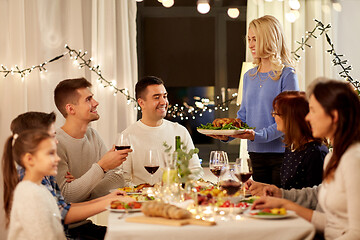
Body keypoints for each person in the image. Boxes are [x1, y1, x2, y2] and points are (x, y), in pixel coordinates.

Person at [252, 79, 360, 239]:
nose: (307, 118)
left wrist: (286, 204)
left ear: (334, 116)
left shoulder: (353, 159)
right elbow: (333, 224)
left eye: (313, 111)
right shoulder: (333, 157)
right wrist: (282, 198)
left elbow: (356, 233)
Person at [9, 111, 134, 240]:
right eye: (52, 136)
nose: (57, 142)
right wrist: (108, 201)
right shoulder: (29, 189)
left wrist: (107, 199)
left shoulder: (41, 177)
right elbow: (62, 214)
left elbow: (63, 207)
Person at [210, 15, 299, 186]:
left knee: (278, 206)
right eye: (249, 39)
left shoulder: (287, 74)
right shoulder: (249, 76)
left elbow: (289, 119)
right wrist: (227, 134)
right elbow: (244, 116)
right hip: (255, 154)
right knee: (259, 206)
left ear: (269, 39)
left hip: (281, 155)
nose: (250, 44)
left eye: (255, 39)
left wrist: (257, 135)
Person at [54, 78, 132, 203]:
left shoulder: (93, 135)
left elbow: (118, 177)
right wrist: (102, 167)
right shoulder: (56, 143)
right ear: (71, 109)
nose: (96, 103)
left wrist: (84, 189)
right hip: (67, 223)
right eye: (88, 99)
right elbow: (67, 196)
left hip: (89, 219)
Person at [120, 76, 204, 185]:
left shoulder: (180, 131)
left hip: (176, 198)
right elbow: (123, 180)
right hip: (143, 199)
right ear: (141, 103)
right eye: (156, 97)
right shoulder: (127, 136)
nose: (163, 102)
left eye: (165, 96)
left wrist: (181, 183)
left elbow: (196, 170)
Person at [3, 130, 66, 239]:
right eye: (51, 153)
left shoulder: (41, 189)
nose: (57, 158)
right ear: (30, 159)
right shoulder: (29, 193)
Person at [272, 91, 328, 189]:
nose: (273, 116)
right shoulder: (292, 146)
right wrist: (264, 187)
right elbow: (288, 189)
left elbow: (314, 199)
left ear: (291, 119)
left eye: (276, 113)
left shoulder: (315, 153)